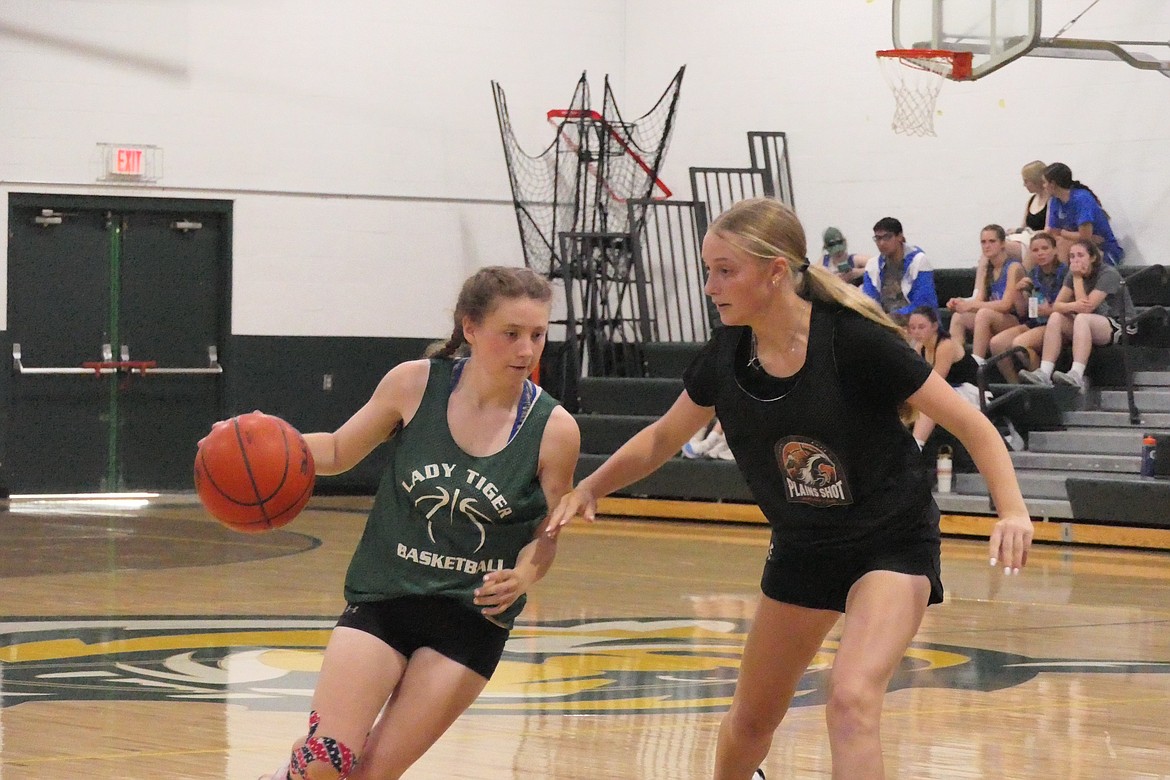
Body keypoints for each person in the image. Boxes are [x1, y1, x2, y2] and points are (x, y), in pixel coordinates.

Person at [547, 198, 1033, 780]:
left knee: (851, 699)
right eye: (708, 270)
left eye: (725, 270)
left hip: (890, 543)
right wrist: (590, 488)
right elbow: (660, 439)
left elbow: (972, 423)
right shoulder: (726, 353)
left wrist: (1012, 510)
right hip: (803, 546)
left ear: (776, 271)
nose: (710, 285)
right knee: (750, 722)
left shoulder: (854, 342)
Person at [254, 266, 581, 780]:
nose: (526, 350)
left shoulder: (555, 429)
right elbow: (339, 451)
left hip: (469, 622)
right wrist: (261, 442)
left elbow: (547, 533)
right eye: (511, 334)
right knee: (326, 761)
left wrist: (524, 576)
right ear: (470, 328)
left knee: (370, 775)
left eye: (538, 335)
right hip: (386, 597)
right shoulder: (414, 383)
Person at [1019, 239, 1136, 390]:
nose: (1075, 260)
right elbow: (1057, 306)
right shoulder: (1072, 274)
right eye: (1072, 256)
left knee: (1081, 318)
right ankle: (1045, 372)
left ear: (1092, 257)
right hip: (1091, 322)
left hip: (1121, 324)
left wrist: (1077, 279)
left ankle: (1076, 374)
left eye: (1080, 255)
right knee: (1056, 318)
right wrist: (1072, 305)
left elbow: (1086, 308)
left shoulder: (1108, 274)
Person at [989, 232, 1068, 383]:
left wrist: (1050, 310)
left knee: (1020, 343)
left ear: (1055, 250)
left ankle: (1041, 381)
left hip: (1056, 323)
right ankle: (1015, 386)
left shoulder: (1064, 273)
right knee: (997, 343)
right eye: (1036, 250)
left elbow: (1072, 305)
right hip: (1035, 321)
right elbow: (1023, 312)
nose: (1041, 253)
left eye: (1045, 248)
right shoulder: (1033, 273)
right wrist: (1018, 293)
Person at [944, 225, 1025, 362]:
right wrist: (961, 303)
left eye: (992, 241)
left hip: (1016, 319)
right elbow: (979, 299)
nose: (987, 246)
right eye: (983, 242)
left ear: (1003, 244)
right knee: (959, 316)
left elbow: (1006, 305)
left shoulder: (1013, 267)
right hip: (996, 317)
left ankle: (977, 362)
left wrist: (970, 305)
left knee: (983, 313)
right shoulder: (988, 268)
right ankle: (955, 358)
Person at [905, 305, 981, 449]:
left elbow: (936, 383)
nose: (916, 332)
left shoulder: (946, 345)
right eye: (912, 328)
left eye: (921, 327)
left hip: (970, 391)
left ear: (934, 326)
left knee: (931, 404)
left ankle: (916, 448)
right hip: (948, 391)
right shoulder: (919, 347)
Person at [1044, 162, 1124, 266]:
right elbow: (1053, 232)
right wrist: (1066, 235)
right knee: (1045, 247)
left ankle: (1062, 280)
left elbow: (1085, 237)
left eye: (1044, 182)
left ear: (1053, 184)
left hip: (1104, 250)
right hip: (1081, 246)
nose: (1043, 186)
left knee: (1065, 244)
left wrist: (1063, 233)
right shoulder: (1055, 201)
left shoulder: (1081, 199)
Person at [861, 216, 938, 321]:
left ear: (900, 237)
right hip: (885, 324)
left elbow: (924, 304)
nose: (881, 243)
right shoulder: (872, 266)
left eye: (887, 237)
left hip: (916, 323)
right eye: (878, 238)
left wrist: (893, 317)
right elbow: (870, 302)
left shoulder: (919, 262)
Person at [1005, 160, 1049, 269]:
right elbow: (1023, 226)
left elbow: (1049, 230)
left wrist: (1024, 232)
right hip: (1028, 237)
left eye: (1026, 181)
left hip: (1040, 239)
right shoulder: (1031, 200)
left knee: (1001, 249)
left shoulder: (1052, 201)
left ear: (1036, 180)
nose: (1024, 185)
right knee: (995, 246)